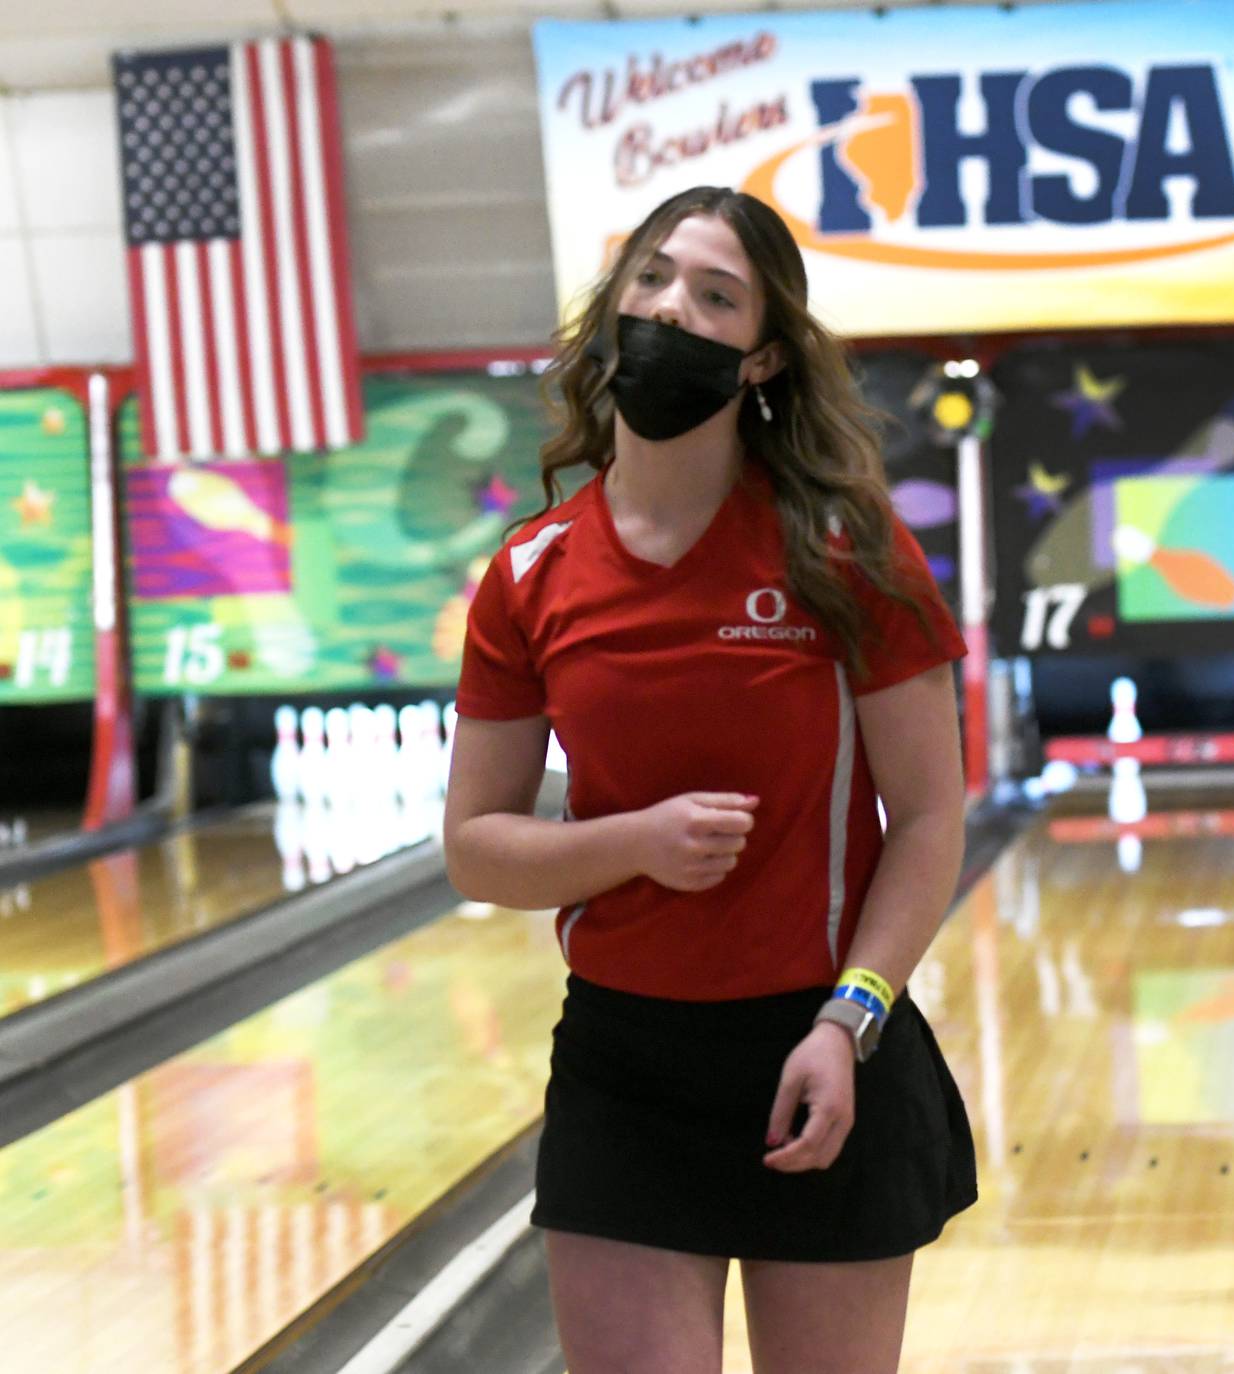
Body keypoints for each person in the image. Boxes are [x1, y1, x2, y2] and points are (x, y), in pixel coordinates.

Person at [443, 185, 975, 1374]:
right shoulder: (531, 573)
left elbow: (934, 817)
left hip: (824, 1049)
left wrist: (855, 1016)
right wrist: (630, 843)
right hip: (625, 1070)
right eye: (652, 277)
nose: (669, 308)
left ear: (763, 357)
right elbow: (475, 842)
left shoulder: (846, 548)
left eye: (715, 296)